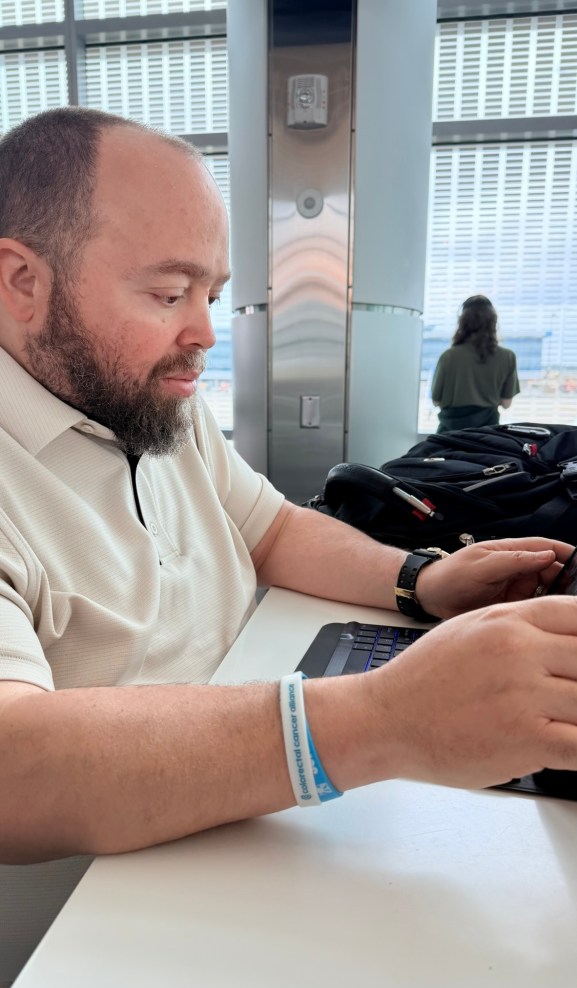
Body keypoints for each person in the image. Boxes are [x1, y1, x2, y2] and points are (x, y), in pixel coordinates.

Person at [1, 107, 577, 875]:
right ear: (23, 282)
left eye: (211, 295)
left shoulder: (150, 404)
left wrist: (419, 580)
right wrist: (382, 719)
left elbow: (270, 529)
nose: (205, 333)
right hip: (109, 894)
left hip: (253, 793)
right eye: (170, 293)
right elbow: (13, 772)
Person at [431, 294, 520, 433]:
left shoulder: (448, 356)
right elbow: (506, 403)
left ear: (462, 322)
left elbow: (436, 401)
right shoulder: (508, 356)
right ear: (493, 322)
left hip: (450, 434)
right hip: (486, 435)